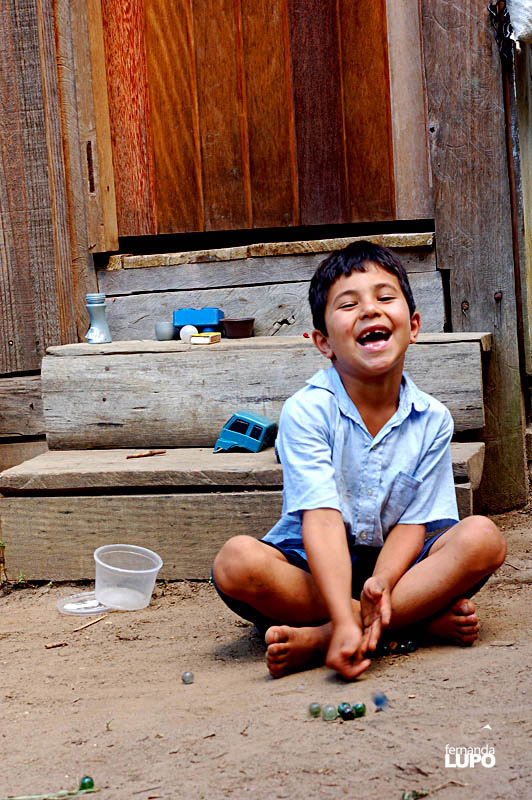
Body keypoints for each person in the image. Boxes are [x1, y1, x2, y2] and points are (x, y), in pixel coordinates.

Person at [212, 241, 506, 680]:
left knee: (483, 538)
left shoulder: (432, 418)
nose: (370, 310)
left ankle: (326, 636)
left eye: (385, 297)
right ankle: (405, 625)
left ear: (414, 325)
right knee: (236, 563)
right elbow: (321, 519)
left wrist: (382, 583)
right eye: (348, 304)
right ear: (324, 342)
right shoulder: (307, 411)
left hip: (400, 571)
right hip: (313, 567)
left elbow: (415, 523)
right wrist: (347, 612)